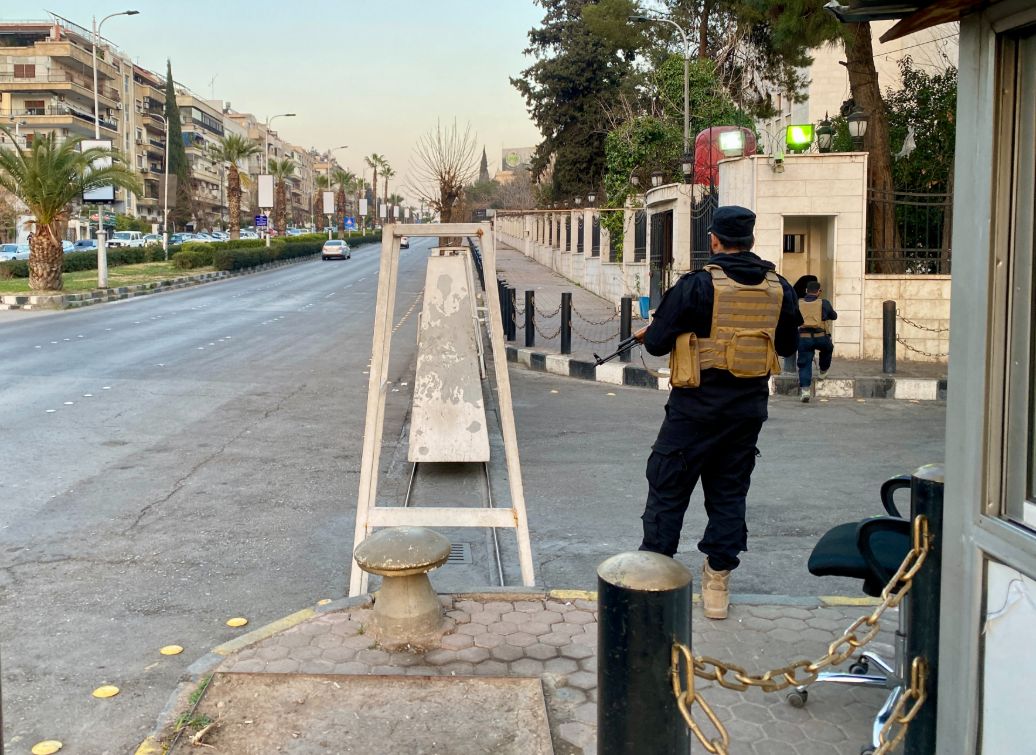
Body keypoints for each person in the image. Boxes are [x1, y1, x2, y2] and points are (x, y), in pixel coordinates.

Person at [633, 205, 801, 620]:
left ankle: (655, 582)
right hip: (745, 414)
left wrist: (658, 330)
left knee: (667, 490)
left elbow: (656, 343)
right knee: (728, 496)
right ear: (751, 240)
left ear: (714, 239)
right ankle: (717, 586)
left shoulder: (696, 286)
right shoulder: (780, 287)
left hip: (692, 412)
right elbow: (786, 347)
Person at [796, 281, 837, 403]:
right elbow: (834, 316)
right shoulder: (823, 303)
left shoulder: (798, 303)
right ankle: (823, 370)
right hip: (821, 337)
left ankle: (805, 391)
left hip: (803, 338)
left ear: (806, 291)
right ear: (819, 292)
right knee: (828, 349)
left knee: (804, 363)